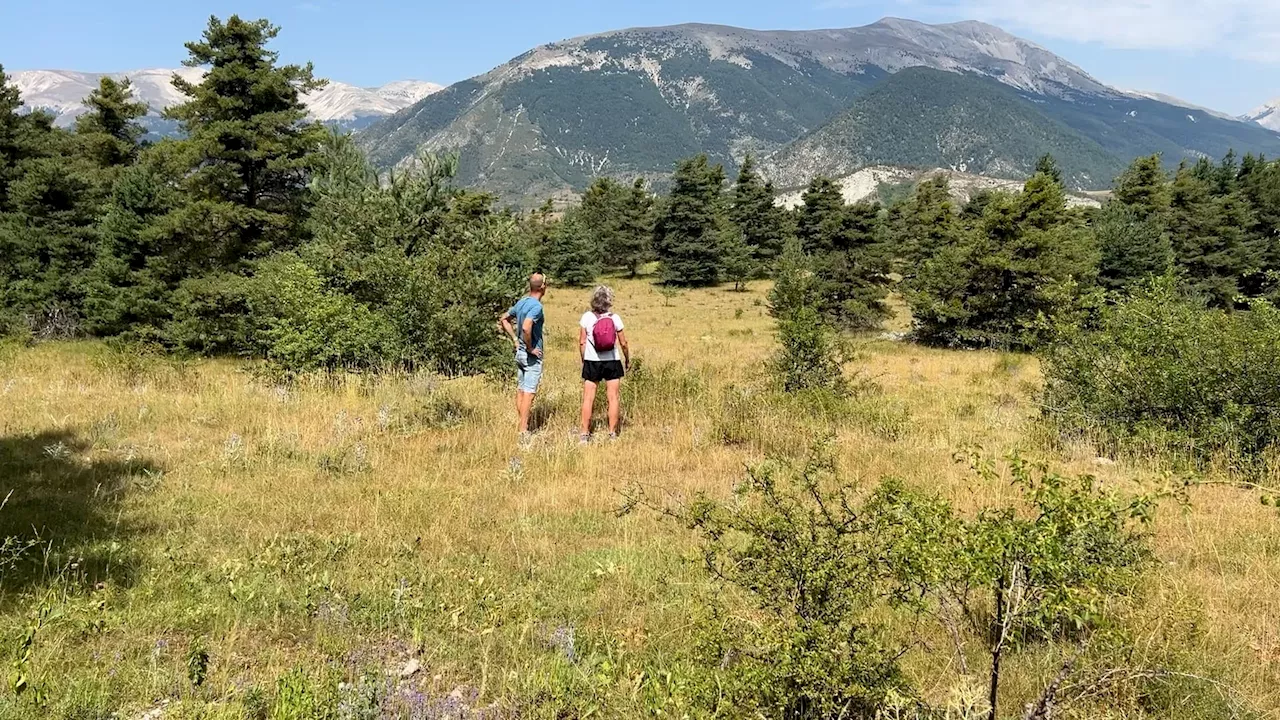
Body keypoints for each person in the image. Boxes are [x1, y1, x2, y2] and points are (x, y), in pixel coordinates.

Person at [498, 273, 548, 442]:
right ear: (542, 287)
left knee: (521, 389)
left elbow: (504, 319)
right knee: (529, 393)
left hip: (519, 353)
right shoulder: (536, 307)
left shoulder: (522, 302)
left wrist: (514, 339)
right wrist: (530, 347)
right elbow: (527, 328)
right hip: (530, 356)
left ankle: (522, 423)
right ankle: (523, 430)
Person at [578, 285, 630, 443]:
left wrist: (584, 360)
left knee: (588, 398)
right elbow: (623, 343)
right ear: (609, 300)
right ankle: (612, 433)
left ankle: (585, 434)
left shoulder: (586, 317)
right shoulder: (615, 318)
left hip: (592, 361)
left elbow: (581, 342)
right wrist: (627, 358)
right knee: (613, 398)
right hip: (612, 361)